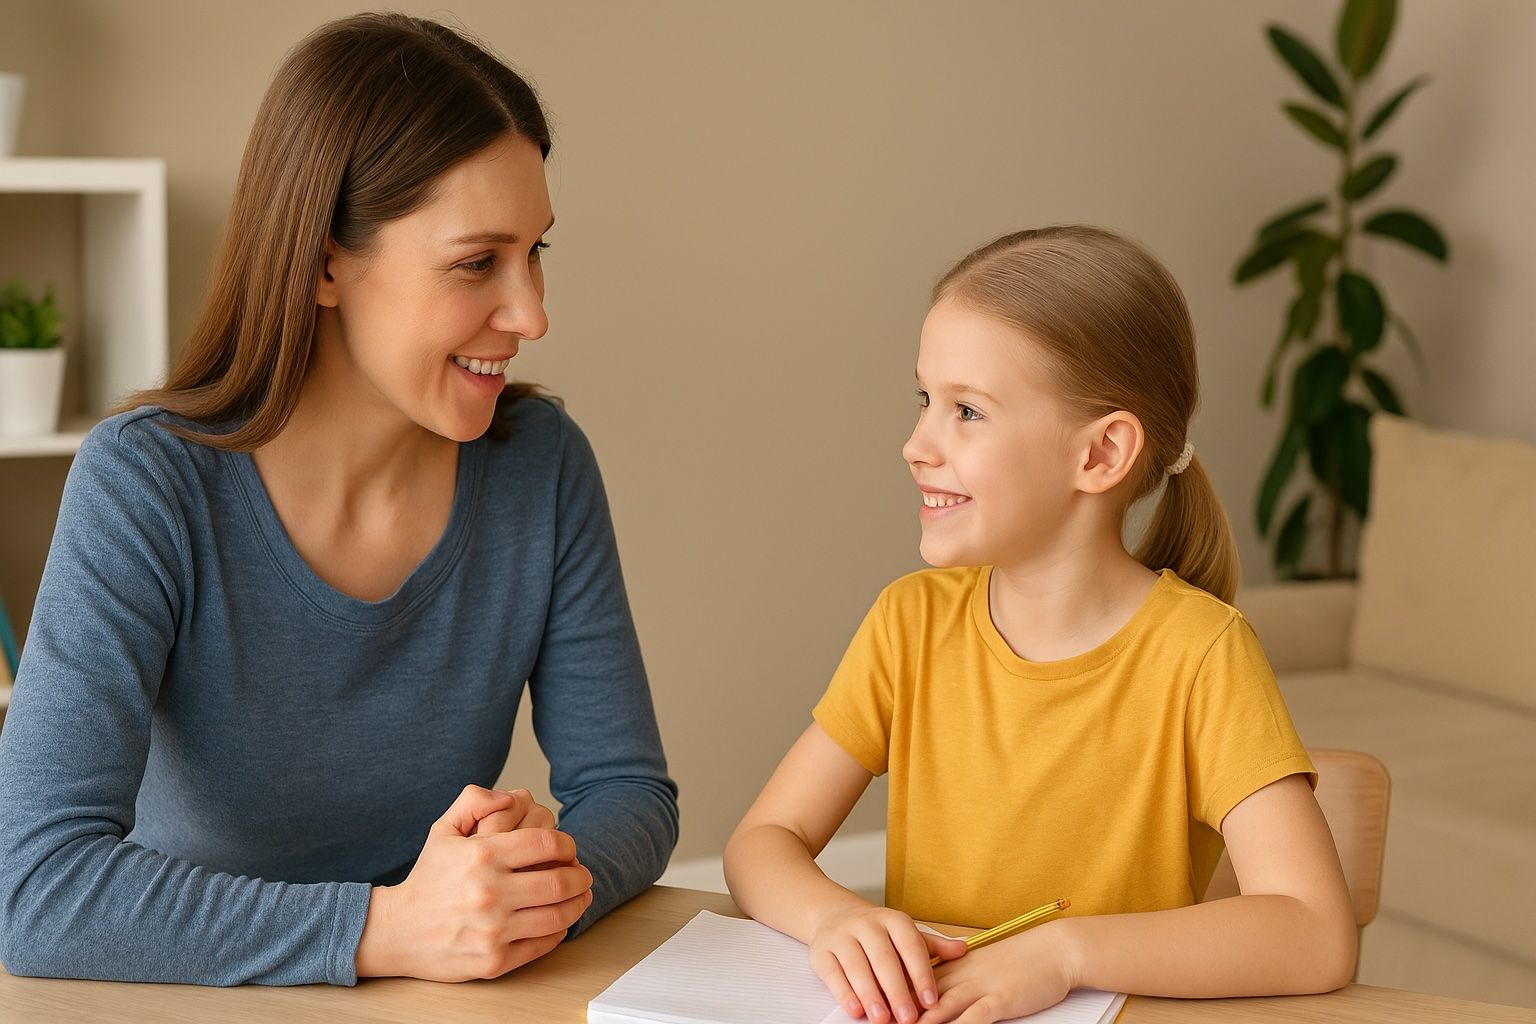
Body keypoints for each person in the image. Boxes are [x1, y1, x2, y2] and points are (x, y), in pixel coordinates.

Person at [0, 13, 677, 987]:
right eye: (476, 261)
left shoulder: (543, 468)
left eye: (537, 253)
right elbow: (38, 888)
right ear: (325, 262)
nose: (531, 313)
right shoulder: (146, 484)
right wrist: (389, 928)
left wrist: (533, 881)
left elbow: (628, 793)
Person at [723, 226, 1356, 1024]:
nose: (917, 445)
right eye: (925, 400)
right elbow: (761, 841)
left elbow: (1314, 930)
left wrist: (1066, 954)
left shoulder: (1201, 655)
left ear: (1101, 455)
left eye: (967, 411)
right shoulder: (908, 625)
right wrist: (833, 918)